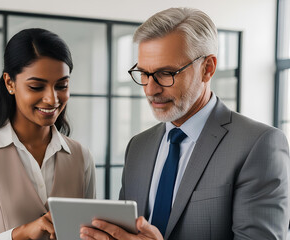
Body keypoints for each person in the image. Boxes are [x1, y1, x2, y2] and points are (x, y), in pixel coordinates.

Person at [80, 7, 289, 240]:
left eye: (166, 73)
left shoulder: (258, 145)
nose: (151, 89)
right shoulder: (138, 147)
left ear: (207, 69)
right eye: (144, 73)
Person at [0, 28, 96, 240]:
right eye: (36, 87)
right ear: (9, 83)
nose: (52, 99)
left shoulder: (82, 157)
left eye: (62, 85)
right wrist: (20, 233)